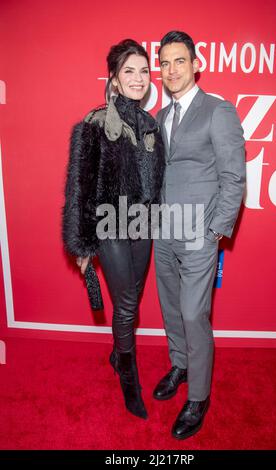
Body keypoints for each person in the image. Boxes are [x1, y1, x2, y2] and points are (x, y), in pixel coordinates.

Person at [62, 39, 165, 419]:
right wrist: (82, 244)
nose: (138, 78)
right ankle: (128, 375)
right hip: (109, 227)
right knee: (125, 305)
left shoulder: (152, 125)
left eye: (143, 71)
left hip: (142, 225)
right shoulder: (94, 123)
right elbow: (80, 188)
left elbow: (158, 183)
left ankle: (116, 353)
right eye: (129, 71)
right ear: (115, 80)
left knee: (133, 299)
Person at [153, 31, 246, 439]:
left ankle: (200, 396)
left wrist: (215, 231)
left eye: (179, 61)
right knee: (172, 308)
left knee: (194, 313)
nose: (172, 70)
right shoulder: (160, 116)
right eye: (166, 63)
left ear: (196, 64)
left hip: (198, 234)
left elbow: (233, 177)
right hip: (162, 231)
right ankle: (180, 364)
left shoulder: (218, 111)